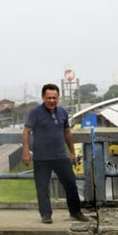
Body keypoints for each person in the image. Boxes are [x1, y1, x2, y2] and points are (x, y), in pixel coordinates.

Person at [22, 83, 90, 224]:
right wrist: (25, 152)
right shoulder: (35, 112)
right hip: (41, 157)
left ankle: (76, 211)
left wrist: (72, 152)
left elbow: (67, 132)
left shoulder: (63, 112)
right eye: (49, 98)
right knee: (42, 187)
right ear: (43, 97)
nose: (52, 101)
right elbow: (26, 131)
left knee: (71, 184)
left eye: (54, 98)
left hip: (60, 156)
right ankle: (46, 214)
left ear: (58, 98)